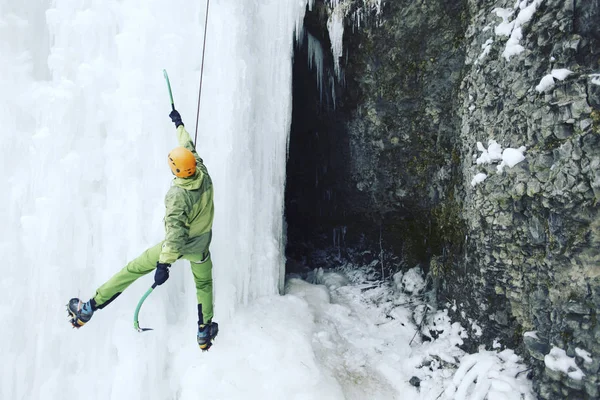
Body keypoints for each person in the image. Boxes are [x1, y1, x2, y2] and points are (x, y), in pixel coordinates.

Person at [67, 109, 218, 351]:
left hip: (178, 247)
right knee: (204, 284)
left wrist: (164, 265)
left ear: (176, 171)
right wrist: (179, 125)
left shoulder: (178, 196)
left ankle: (89, 308)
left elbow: (175, 235)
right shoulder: (203, 171)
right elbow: (188, 146)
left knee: (133, 269)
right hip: (201, 246)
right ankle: (204, 331)